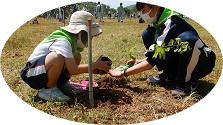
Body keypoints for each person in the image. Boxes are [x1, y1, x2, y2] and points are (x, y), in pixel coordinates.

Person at [109, 2, 216, 96]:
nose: (142, 14)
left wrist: (123, 73)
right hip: (182, 58)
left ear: (156, 6)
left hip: (202, 62)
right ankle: (167, 75)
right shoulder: (159, 23)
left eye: (143, 10)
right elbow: (157, 50)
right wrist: (139, 61)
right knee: (148, 34)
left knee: (187, 41)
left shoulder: (172, 20)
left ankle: (185, 83)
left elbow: (150, 63)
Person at [20, 11, 111, 101]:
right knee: (57, 58)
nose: (90, 39)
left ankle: (62, 84)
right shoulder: (63, 41)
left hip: (42, 72)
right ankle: (48, 90)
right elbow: (73, 69)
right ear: (80, 32)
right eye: (89, 36)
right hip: (32, 75)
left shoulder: (73, 42)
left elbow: (71, 65)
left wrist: (92, 68)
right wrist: (94, 65)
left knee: (76, 56)